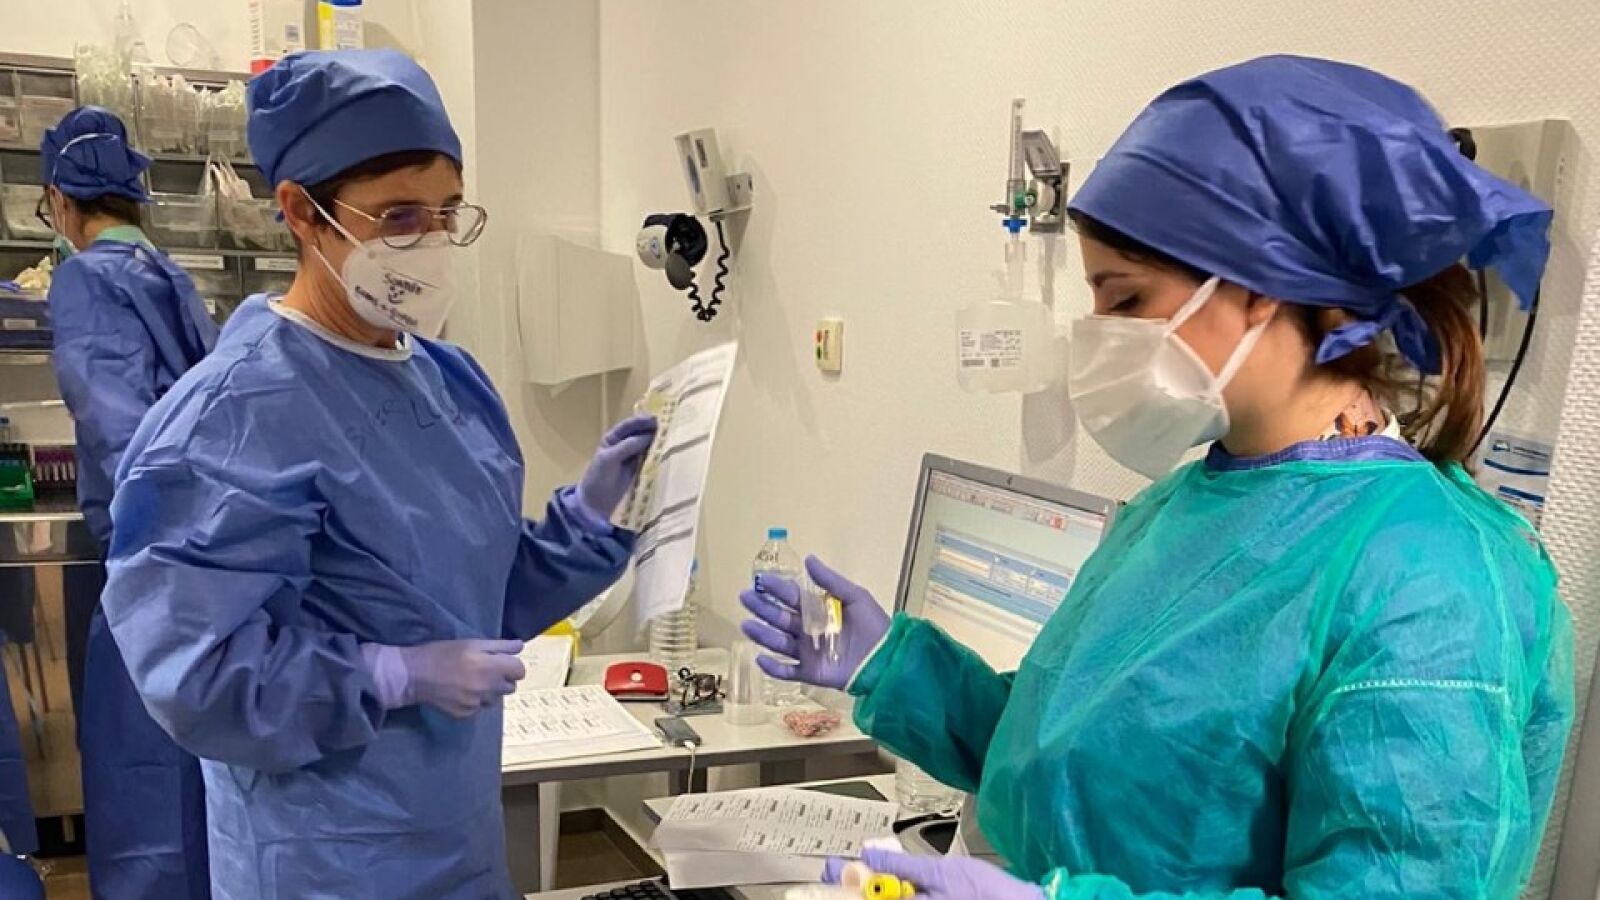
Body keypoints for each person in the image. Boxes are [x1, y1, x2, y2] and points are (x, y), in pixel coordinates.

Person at [745, 56, 1574, 899]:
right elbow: (1063, 760)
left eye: (1127, 299)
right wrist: (890, 665)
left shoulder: (1429, 581)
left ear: (1259, 285)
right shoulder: (1175, 510)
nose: (1097, 335)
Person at [98, 49, 655, 900]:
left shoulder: (446, 380)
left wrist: (584, 518)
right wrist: (388, 675)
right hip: (323, 856)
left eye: (448, 213)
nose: (429, 242)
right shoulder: (233, 418)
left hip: (455, 832)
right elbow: (194, 676)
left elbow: (476, 600)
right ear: (301, 212)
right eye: (399, 217)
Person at [41, 105, 219, 900]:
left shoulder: (86, 278)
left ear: (60, 201)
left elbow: (115, 424)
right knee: (205, 778)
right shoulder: (169, 275)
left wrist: (149, 550)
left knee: (145, 780)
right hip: (210, 559)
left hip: (153, 561)